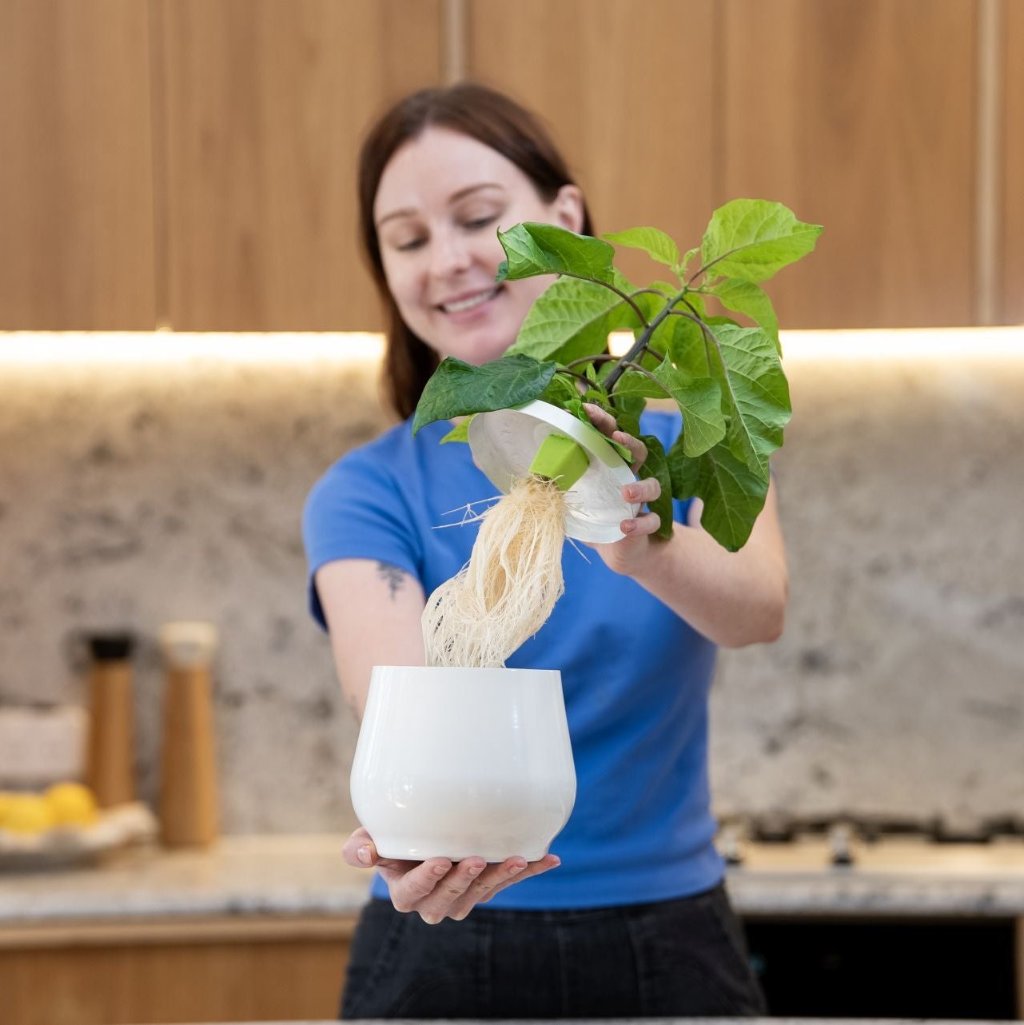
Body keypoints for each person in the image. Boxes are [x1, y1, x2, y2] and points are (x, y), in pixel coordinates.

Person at [303, 82, 787, 1019]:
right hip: (437, 937)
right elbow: (393, 689)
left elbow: (759, 607)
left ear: (565, 222)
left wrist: (646, 543)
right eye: (407, 239)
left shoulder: (687, 433)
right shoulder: (369, 488)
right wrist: (418, 838)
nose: (446, 260)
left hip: (669, 930)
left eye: (478, 218)